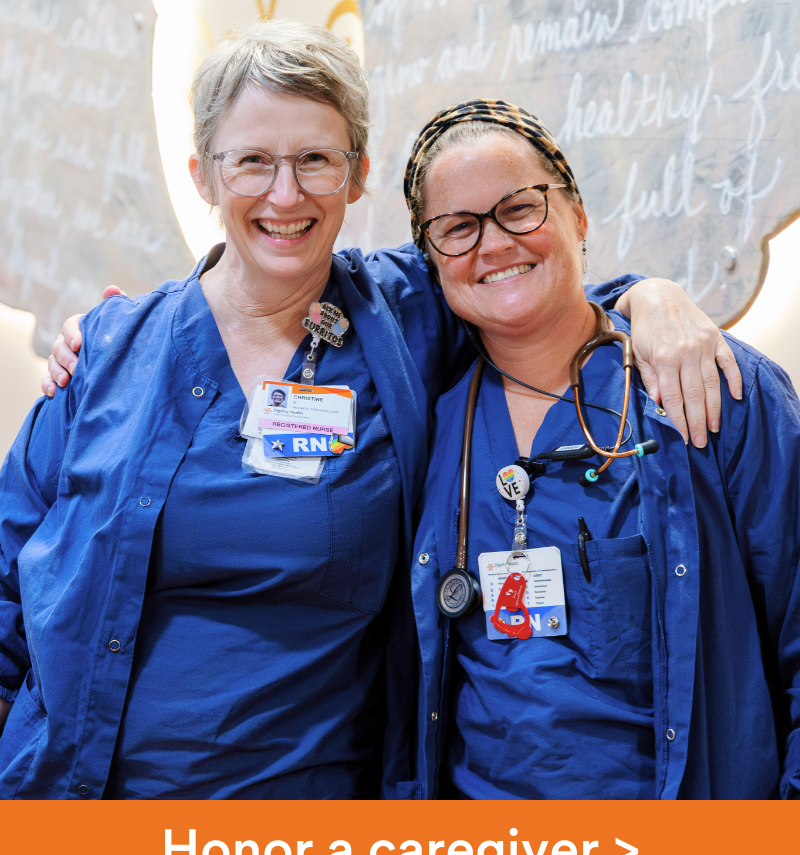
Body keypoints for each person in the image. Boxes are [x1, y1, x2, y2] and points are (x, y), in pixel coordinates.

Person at [0, 21, 740, 799]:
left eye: (316, 159)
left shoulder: (404, 317)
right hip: (70, 803)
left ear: (354, 177)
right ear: (202, 175)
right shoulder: (111, 350)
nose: (285, 194)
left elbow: (522, 279)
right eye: (252, 160)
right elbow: (8, 578)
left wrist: (651, 300)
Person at [398, 100, 800, 800]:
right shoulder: (427, 425)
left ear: (577, 215)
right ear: (432, 262)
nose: (492, 245)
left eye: (519, 209)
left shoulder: (714, 391)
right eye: (457, 229)